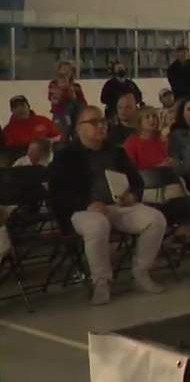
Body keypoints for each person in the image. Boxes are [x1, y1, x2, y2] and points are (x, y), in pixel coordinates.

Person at [48, 106, 167, 305]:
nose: (101, 126)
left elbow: (137, 181)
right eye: (94, 122)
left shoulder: (116, 151)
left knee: (156, 219)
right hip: (82, 211)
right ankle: (101, 282)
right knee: (97, 224)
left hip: (118, 205)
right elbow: (58, 193)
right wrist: (88, 203)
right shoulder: (65, 155)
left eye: (102, 121)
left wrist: (133, 195)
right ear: (79, 129)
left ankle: (141, 273)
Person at [48, 61, 86, 135]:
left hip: (76, 113)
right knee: (62, 135)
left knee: (77, 134)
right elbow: (53, 97)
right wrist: (68, 91)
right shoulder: (54, 84)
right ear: (59, 71)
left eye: (69, 69)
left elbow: (82, 101)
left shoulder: (76, 86)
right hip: (60, 113)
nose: (66, 71)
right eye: (64, 69)